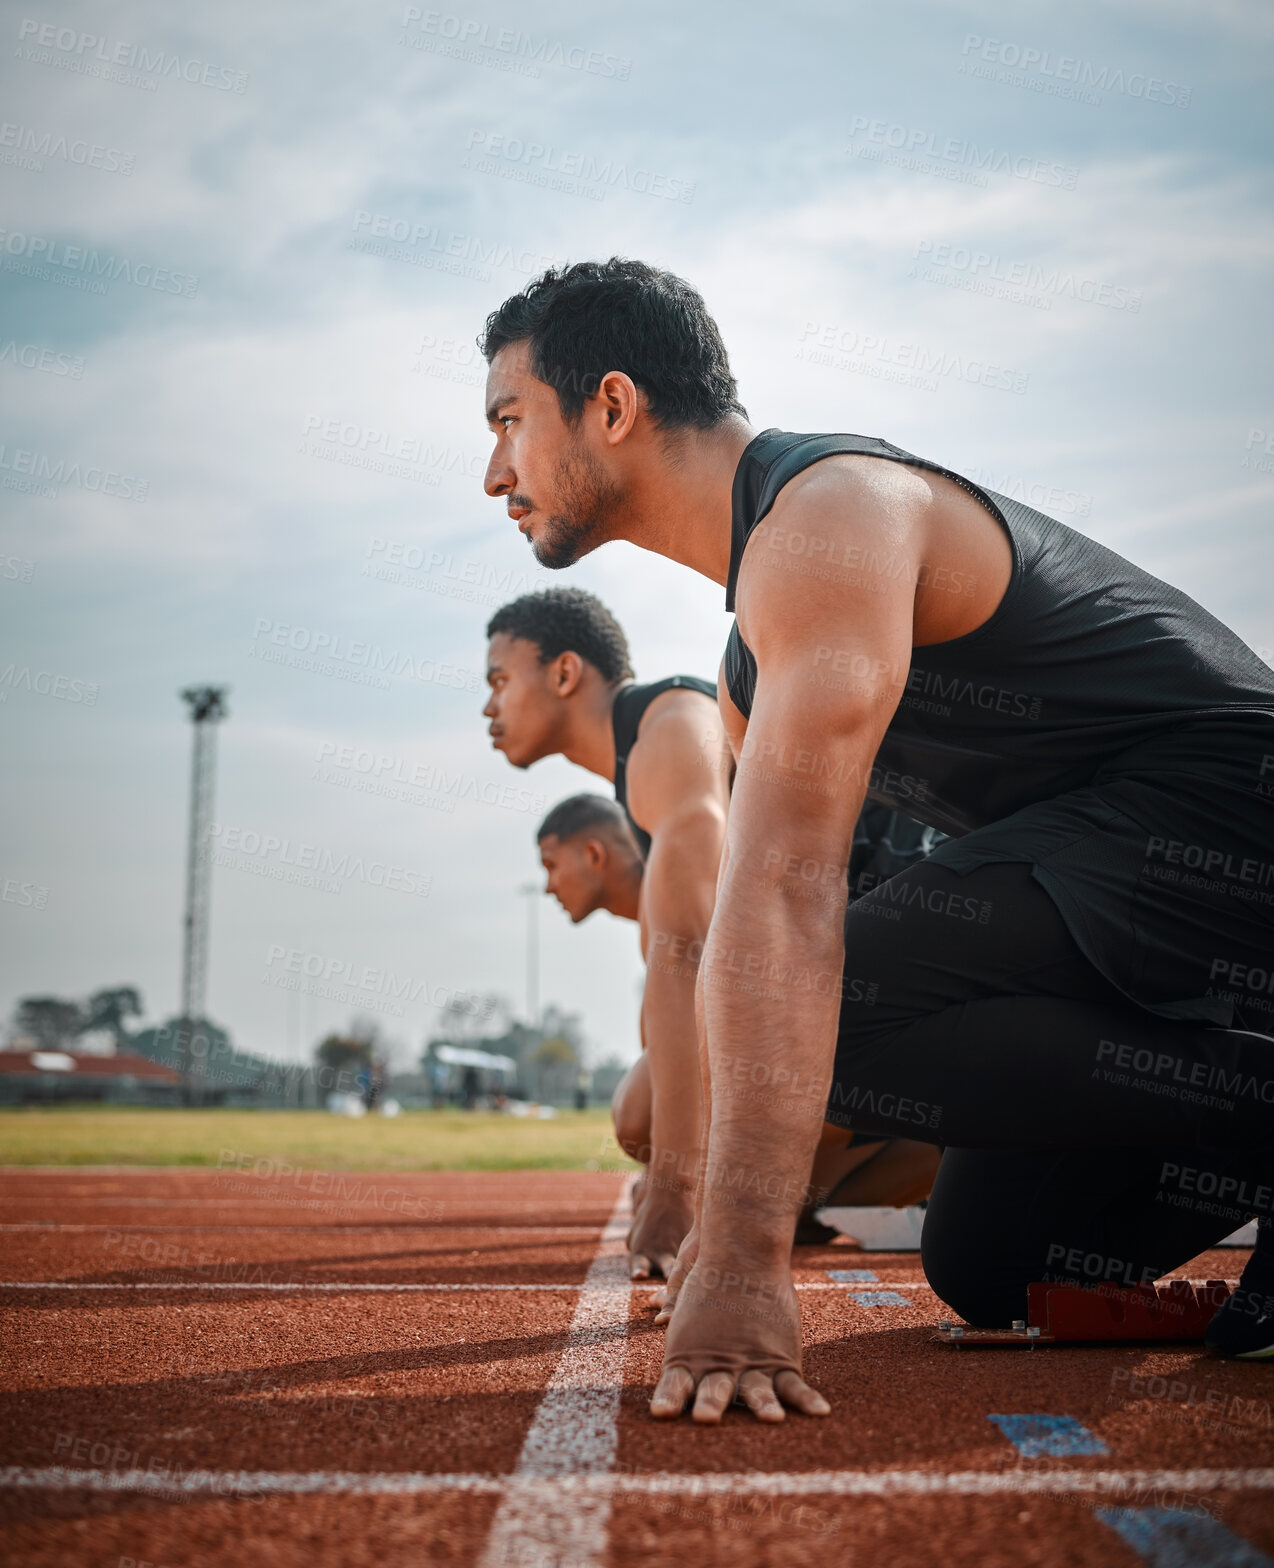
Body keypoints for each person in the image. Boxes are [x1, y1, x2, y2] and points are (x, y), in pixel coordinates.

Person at [477, 258, 1274, 1424]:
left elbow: (790, 899)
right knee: (999, 1265)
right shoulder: (748, 658)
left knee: (837, 990)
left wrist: (747, 1255)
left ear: (610, 405)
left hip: (1223, 816)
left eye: (508, 422)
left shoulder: (830, 513)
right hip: (1110, 897)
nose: (493, 470)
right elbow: (781, 916)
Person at [536, 791, 942, 1243]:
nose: (547, 886)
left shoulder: (690, 875)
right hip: (845, 1083)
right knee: (788, 1219)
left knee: (638, 1115)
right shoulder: (661, 925)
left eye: (550, 865)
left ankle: (937, 1141)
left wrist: (675, 1182)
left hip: (835, 1047)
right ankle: (936, 1158)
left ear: (594, 854)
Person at [484, 588, 730, 1280]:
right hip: (839, 1001)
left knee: (641, 1114)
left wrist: (675, 1193)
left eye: (500, 682)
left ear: (564, 674)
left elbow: (690, 957)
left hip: (896, 975)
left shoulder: (675, 726)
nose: (487, 709)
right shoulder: (639, 780)